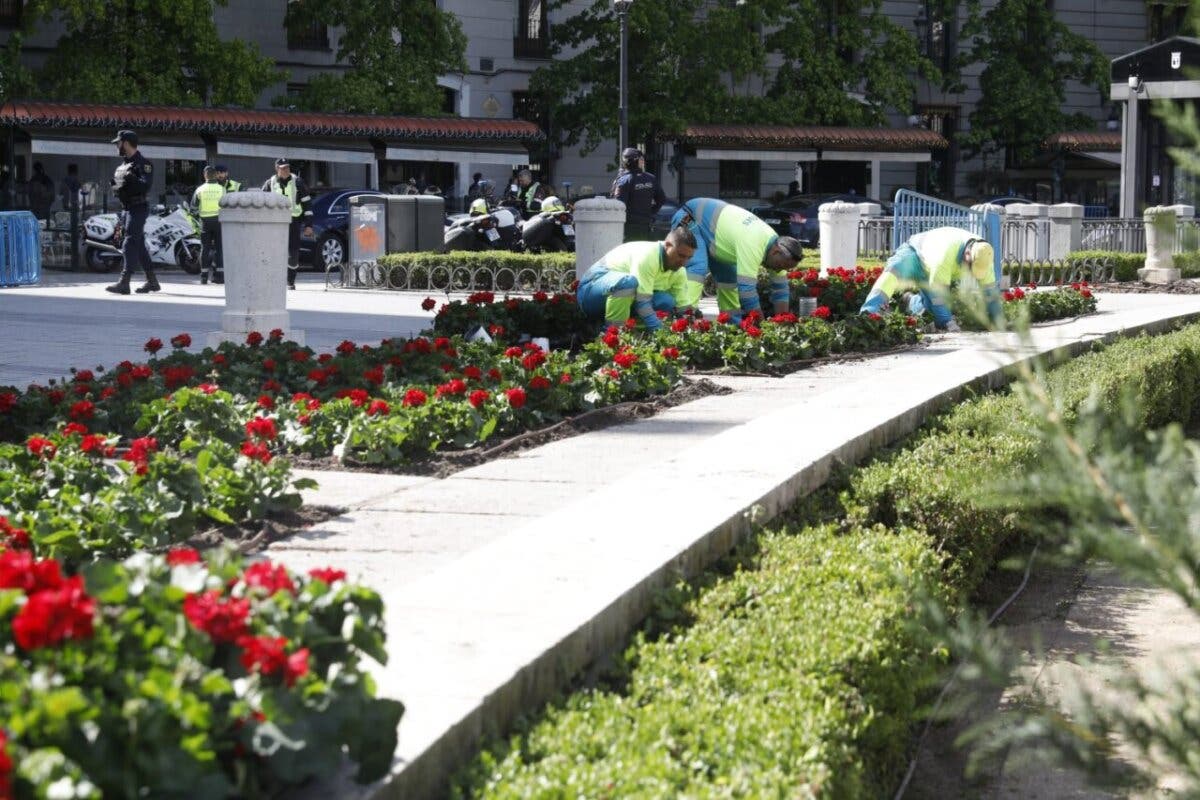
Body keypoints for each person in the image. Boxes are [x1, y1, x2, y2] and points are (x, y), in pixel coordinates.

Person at [671, 197, 802, 321]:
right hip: (690, 217)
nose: (779, 270)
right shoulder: (754, 244)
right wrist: (761, 329)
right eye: (780, 266)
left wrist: (783, 322)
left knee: (728, 280)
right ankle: (685, 319)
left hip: (714, 233)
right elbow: (746, 291)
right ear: (776, 251)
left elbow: (780, 288)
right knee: (697, 267)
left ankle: (732, 325)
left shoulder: (779, 246)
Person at [859, 227, 1001, 332]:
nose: (971, 272)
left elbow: (991, 295)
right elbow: (939, 294)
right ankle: (868, 313)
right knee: (892, 274)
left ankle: (910, 302)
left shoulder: (985, 258)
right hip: (915, 254)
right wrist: (946, 322)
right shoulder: (947, 253)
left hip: (933, 272)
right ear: (967, 253)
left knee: (929, 308)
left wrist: (998, 322)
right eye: (970, 267)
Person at [576, 225, 697, 332]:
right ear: (667, 245)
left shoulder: (679, 270)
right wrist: (661, 332)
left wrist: (694, 324)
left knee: (666, 300)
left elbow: (683, 307)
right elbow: (642, 302)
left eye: (689, 258)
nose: (684, 262)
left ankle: (634, 334)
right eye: (681, 256)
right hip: (589, 293)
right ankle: (613, 333)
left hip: (619, 298)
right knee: (627, 283)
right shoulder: (648, 256)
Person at [105, 130, 158, 295]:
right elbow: (118, 189)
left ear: (126, 143)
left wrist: (132, 179)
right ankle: (152, 281)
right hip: (127, 208)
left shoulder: (144, 164)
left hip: (139, 207)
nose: (117, 146)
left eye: (118, 143)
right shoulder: (122, 166)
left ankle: (124, 282)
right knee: (139, 245)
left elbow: (145, 186)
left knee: (129, 242)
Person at [261, 158, 313, 290]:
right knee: (274, 251)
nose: (286, 170)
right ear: (277, 169)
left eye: (287, 167)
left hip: (293, 221)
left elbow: (307, 204)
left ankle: (290, 281)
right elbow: (261, 203)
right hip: (275, 222)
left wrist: (309, 225)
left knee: (293, 251)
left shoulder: (298, 182)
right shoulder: (270, 183)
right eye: (283, 168)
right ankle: (274, 279)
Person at [611, 147, 666, 243]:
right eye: (641, 159)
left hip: (628, 229)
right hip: (646, 226)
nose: (643, 161)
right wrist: (650, 212)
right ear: (637, 161)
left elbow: (617, 206)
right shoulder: (651, 178)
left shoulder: (624, 180)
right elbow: (661, 199)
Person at [191, 165, 225, 285]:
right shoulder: (222, 189)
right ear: (215, 175)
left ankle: (203, 276)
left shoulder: (199, 189)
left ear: (204, 175)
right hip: (219, 221)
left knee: (205, 248)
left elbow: (193, 208)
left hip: (205, 222)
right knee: (219, 248)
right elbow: (226, 205)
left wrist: (199, 215)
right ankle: (220, 276)